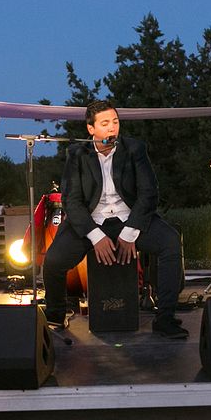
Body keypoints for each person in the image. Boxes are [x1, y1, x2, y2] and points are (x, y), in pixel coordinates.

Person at [42, 101, 188, 338]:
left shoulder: (134, 149)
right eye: (105, 123)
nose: (112, 128)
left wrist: (131, 232)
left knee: (170, 242)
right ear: (91, 129)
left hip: (129, 218)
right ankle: (55, 316)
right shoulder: (77, 154)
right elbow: (72, 201)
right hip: (91, 222)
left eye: (115, 122)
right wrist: (95, 236)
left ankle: (165, 319)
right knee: (53, 260)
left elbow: (149, 193)